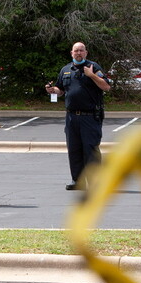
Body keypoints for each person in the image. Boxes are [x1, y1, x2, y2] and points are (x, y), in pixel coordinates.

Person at [45, 41, 110, 190]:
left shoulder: (93, 67)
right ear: (71, 53)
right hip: (72, 117)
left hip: (90, 116)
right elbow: (60, 89)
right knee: (74, 149)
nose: (79, 53)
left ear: (86, 53)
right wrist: (52, 90)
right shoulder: (66, 70)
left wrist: (91, 75)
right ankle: (78, 181)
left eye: (81, 50)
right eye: (76, 51)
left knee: (91, 149)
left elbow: (106, 86)